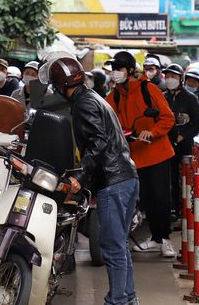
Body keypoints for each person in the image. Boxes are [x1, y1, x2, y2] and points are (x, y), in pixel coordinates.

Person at [46, 56, 139, 305]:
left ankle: (118, 301)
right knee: (118, 245)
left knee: (111, 246)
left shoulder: (83, 103)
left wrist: (80, 176)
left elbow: (98, 142)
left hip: (114, 180)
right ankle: (128, 299)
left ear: (59, 85)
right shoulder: (94, 97)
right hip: (126, 177)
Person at [106, 51, 176, 257]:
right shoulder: (115, 95)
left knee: (160, 198)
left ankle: (164, 239)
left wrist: (152, 132)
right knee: (143, 199)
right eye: (113, 69)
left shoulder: (149, 89)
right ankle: (154, 237)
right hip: (133, 155)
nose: (115, 73)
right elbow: (107, 118)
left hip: (157, 153)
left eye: (118, 69)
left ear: (129, 70)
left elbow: (167, 118)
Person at [163, 64, 199, 217]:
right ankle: (172, 209)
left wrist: (182, 136)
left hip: (184, 146)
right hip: (166, 146)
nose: (170, 79)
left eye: (173, 76)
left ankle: (186, 212)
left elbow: (198, 124)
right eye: (167, 76)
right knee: (168, 178)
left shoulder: (191, 99)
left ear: (181, 79)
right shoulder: (162, 97)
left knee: (184, 179)